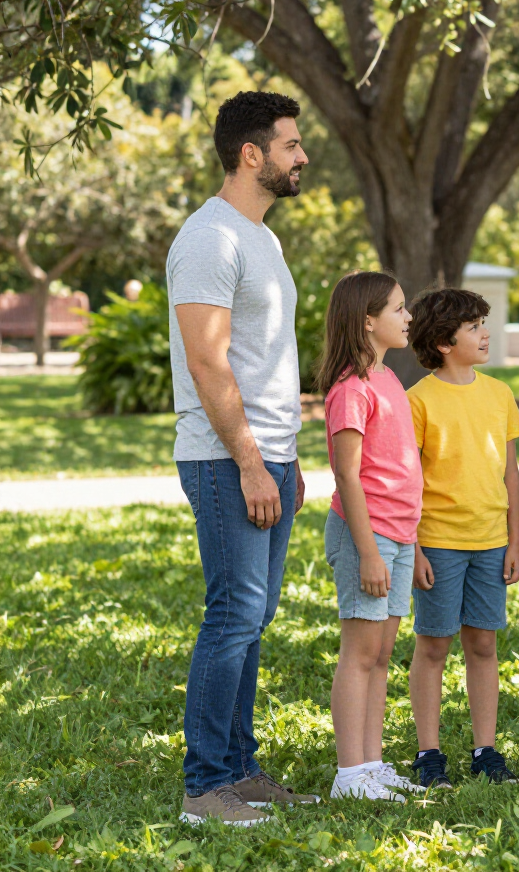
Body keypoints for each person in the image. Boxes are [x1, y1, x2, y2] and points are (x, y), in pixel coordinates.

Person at [169, 91, 320, 827]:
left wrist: (285, 459)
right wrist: (253, 463)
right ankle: (205, 789)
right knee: (231, 615)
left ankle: (240, 770)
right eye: (291, 145)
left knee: (252, 618)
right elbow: (207, 362)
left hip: (268, 457)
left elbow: (263, 358)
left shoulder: (261, 238)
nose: (302, 157)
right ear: (252, 154)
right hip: (227, 458)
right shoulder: (210, 239)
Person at [405, 289, 519, 789]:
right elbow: (407, 483)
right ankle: (429, 754)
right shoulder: (419, 400)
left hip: (491, 541)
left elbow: (511, 475)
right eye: (474, 326)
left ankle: (486, 751)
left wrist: (515, 541)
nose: (485, 334)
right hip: (437, 543)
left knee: (483, 644)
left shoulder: (498, 394)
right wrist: (412, 551)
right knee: (433, 646)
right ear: (442, 341)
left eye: (484, 324)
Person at [317, 272, 425, 803]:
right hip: (368, 537)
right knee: (359, 654)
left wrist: (411, 542)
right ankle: (349, 773)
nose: (408, 318)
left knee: (381, 654)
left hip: (399, 536)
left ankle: (372, 763)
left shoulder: (387, 379)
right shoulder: (350, 389)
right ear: (367, 321)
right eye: (399, 309)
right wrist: (367, 552)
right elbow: (347, 475)